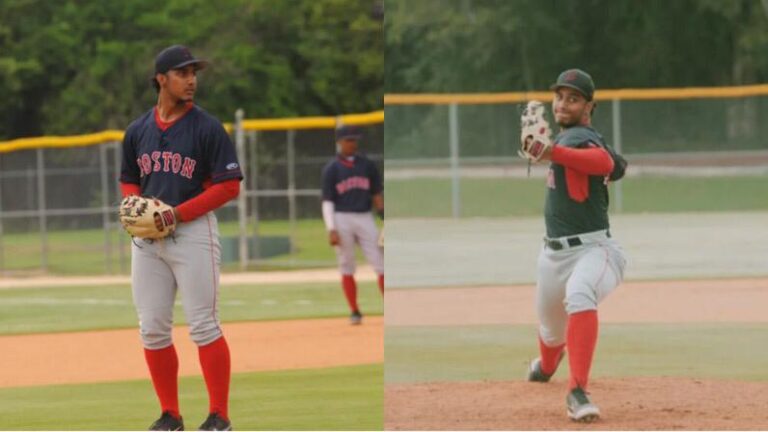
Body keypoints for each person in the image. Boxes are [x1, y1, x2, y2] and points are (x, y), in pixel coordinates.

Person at [119, 45, 243, 431]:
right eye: (182, 72)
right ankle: (170, 414)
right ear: (161, 78)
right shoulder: (138, 130)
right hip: (148, 240)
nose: (191, 80)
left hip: (193, 232)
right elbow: (129, 180)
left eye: (194, 73)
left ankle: (219, 416)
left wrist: (176, 214)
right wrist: (133, 208)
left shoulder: (207, 127)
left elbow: (229, 186)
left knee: (203, 324)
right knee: (152, 327)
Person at [525, 69, 628, 423]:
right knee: (552, 333)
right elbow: (617, 165)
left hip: (594, 251)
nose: (562, 104)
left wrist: (551, 151)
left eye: (573, 98)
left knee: (580, 293)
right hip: (552, 254)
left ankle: (577, 392)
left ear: (588, 106)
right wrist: (554, 149)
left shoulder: (578, 138)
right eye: (559, 97)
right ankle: (547, 365)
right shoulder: (579, 137)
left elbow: (604, 162)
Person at [321, 125, 384, 325]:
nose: (352, 143)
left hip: (365, 217)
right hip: (341, 218)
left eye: (355, 139)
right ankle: (354, 311)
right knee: (347, 264)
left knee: (381, 263)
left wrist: (384, 216)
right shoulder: (332, 169)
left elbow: (376, 193)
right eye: (348, 140)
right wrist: (331, 228)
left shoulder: (367, 165)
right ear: (339, 142)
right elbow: (328, 201)